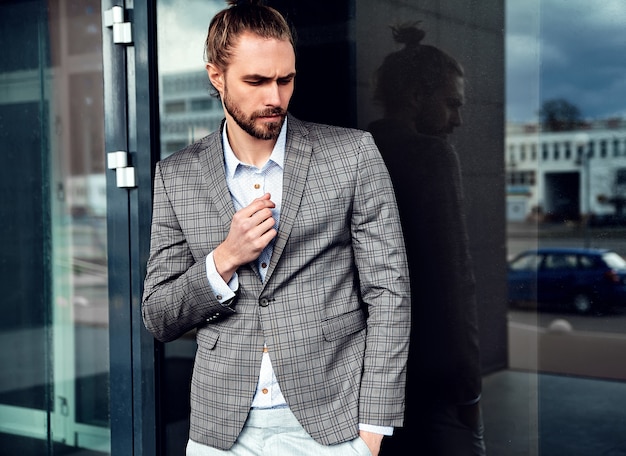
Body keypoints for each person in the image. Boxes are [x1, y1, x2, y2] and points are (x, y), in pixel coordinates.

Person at [141, 1, 411, 455]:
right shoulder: (176, 175)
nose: (276, 98)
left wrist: (373, 428)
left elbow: (390, 292)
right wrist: (224, 258)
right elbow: (159, 316)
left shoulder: (353, 155)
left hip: (333, 424)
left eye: (285, 79)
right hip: (220, 430)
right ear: (216, 76)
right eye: (256, 81)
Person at [368, 23, 486, 455]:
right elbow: (453, 282)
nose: (458, 119)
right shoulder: (430, 156)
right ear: (417, 96)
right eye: (452, 104)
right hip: (433, 387)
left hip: (371, 384)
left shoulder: (354, 150)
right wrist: (469, 391)